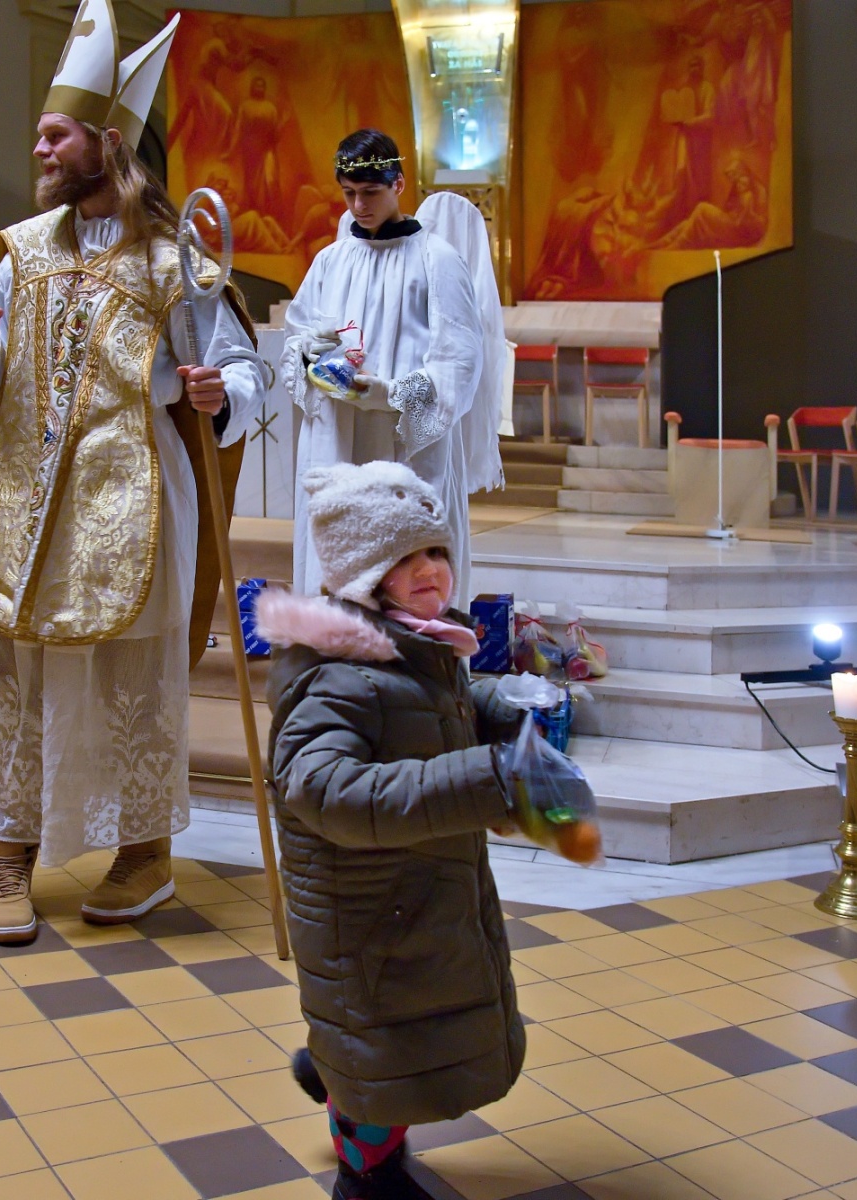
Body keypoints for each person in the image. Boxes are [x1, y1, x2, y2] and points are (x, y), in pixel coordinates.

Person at [0, 0, 267, 945]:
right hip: (24, 504)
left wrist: (218, 393)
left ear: (106, 144)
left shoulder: (173, 261)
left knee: (131, 682)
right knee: (6, 676)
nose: (39, 147)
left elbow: (248, 373)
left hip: (133, 499)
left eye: (54, 134)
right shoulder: (24, 251)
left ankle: (143, 854)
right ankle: (5, 859)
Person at [254, 461, 596, 1200]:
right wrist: (489, 779)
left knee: (398, 1034)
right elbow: (327, 789)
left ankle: (341, 1071)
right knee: (386, 1043)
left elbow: (429, 711)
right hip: (369, 911)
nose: (429, 570)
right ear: (363, 574)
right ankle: (366, 1175)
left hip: (418, 893)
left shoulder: (416, 647)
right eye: (404, 558)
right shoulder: (334, 677)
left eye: (436, 551)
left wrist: (499, 707)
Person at [279, 130, 494, 601]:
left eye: (370, 192)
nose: (358, 206)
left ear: (398, 184)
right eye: (348, 193)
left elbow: (458, 363)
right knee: (337, 568)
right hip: (337, 440)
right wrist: (310, 353)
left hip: (405, 448)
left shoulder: (437, 260)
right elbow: (296, 338)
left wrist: (388, 394)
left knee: (403, 572)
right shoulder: (330, 261)